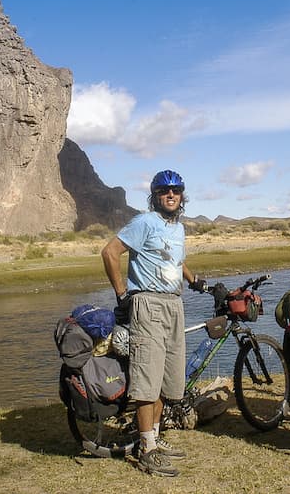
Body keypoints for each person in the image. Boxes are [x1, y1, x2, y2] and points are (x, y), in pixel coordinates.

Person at [101, 169, 206, 477]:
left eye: (175, 191)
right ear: (155, 196)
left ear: (182, 195)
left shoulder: (178, 228)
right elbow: (109, 252)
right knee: (147, 377)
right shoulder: (144, 222)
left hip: (174, 303)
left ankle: (154, 439)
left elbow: (175, 260)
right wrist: (123, 294)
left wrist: (194, 280)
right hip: (147, 303)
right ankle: (146, 449)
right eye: (163, 191)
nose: (170, 195)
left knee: (165, 378)